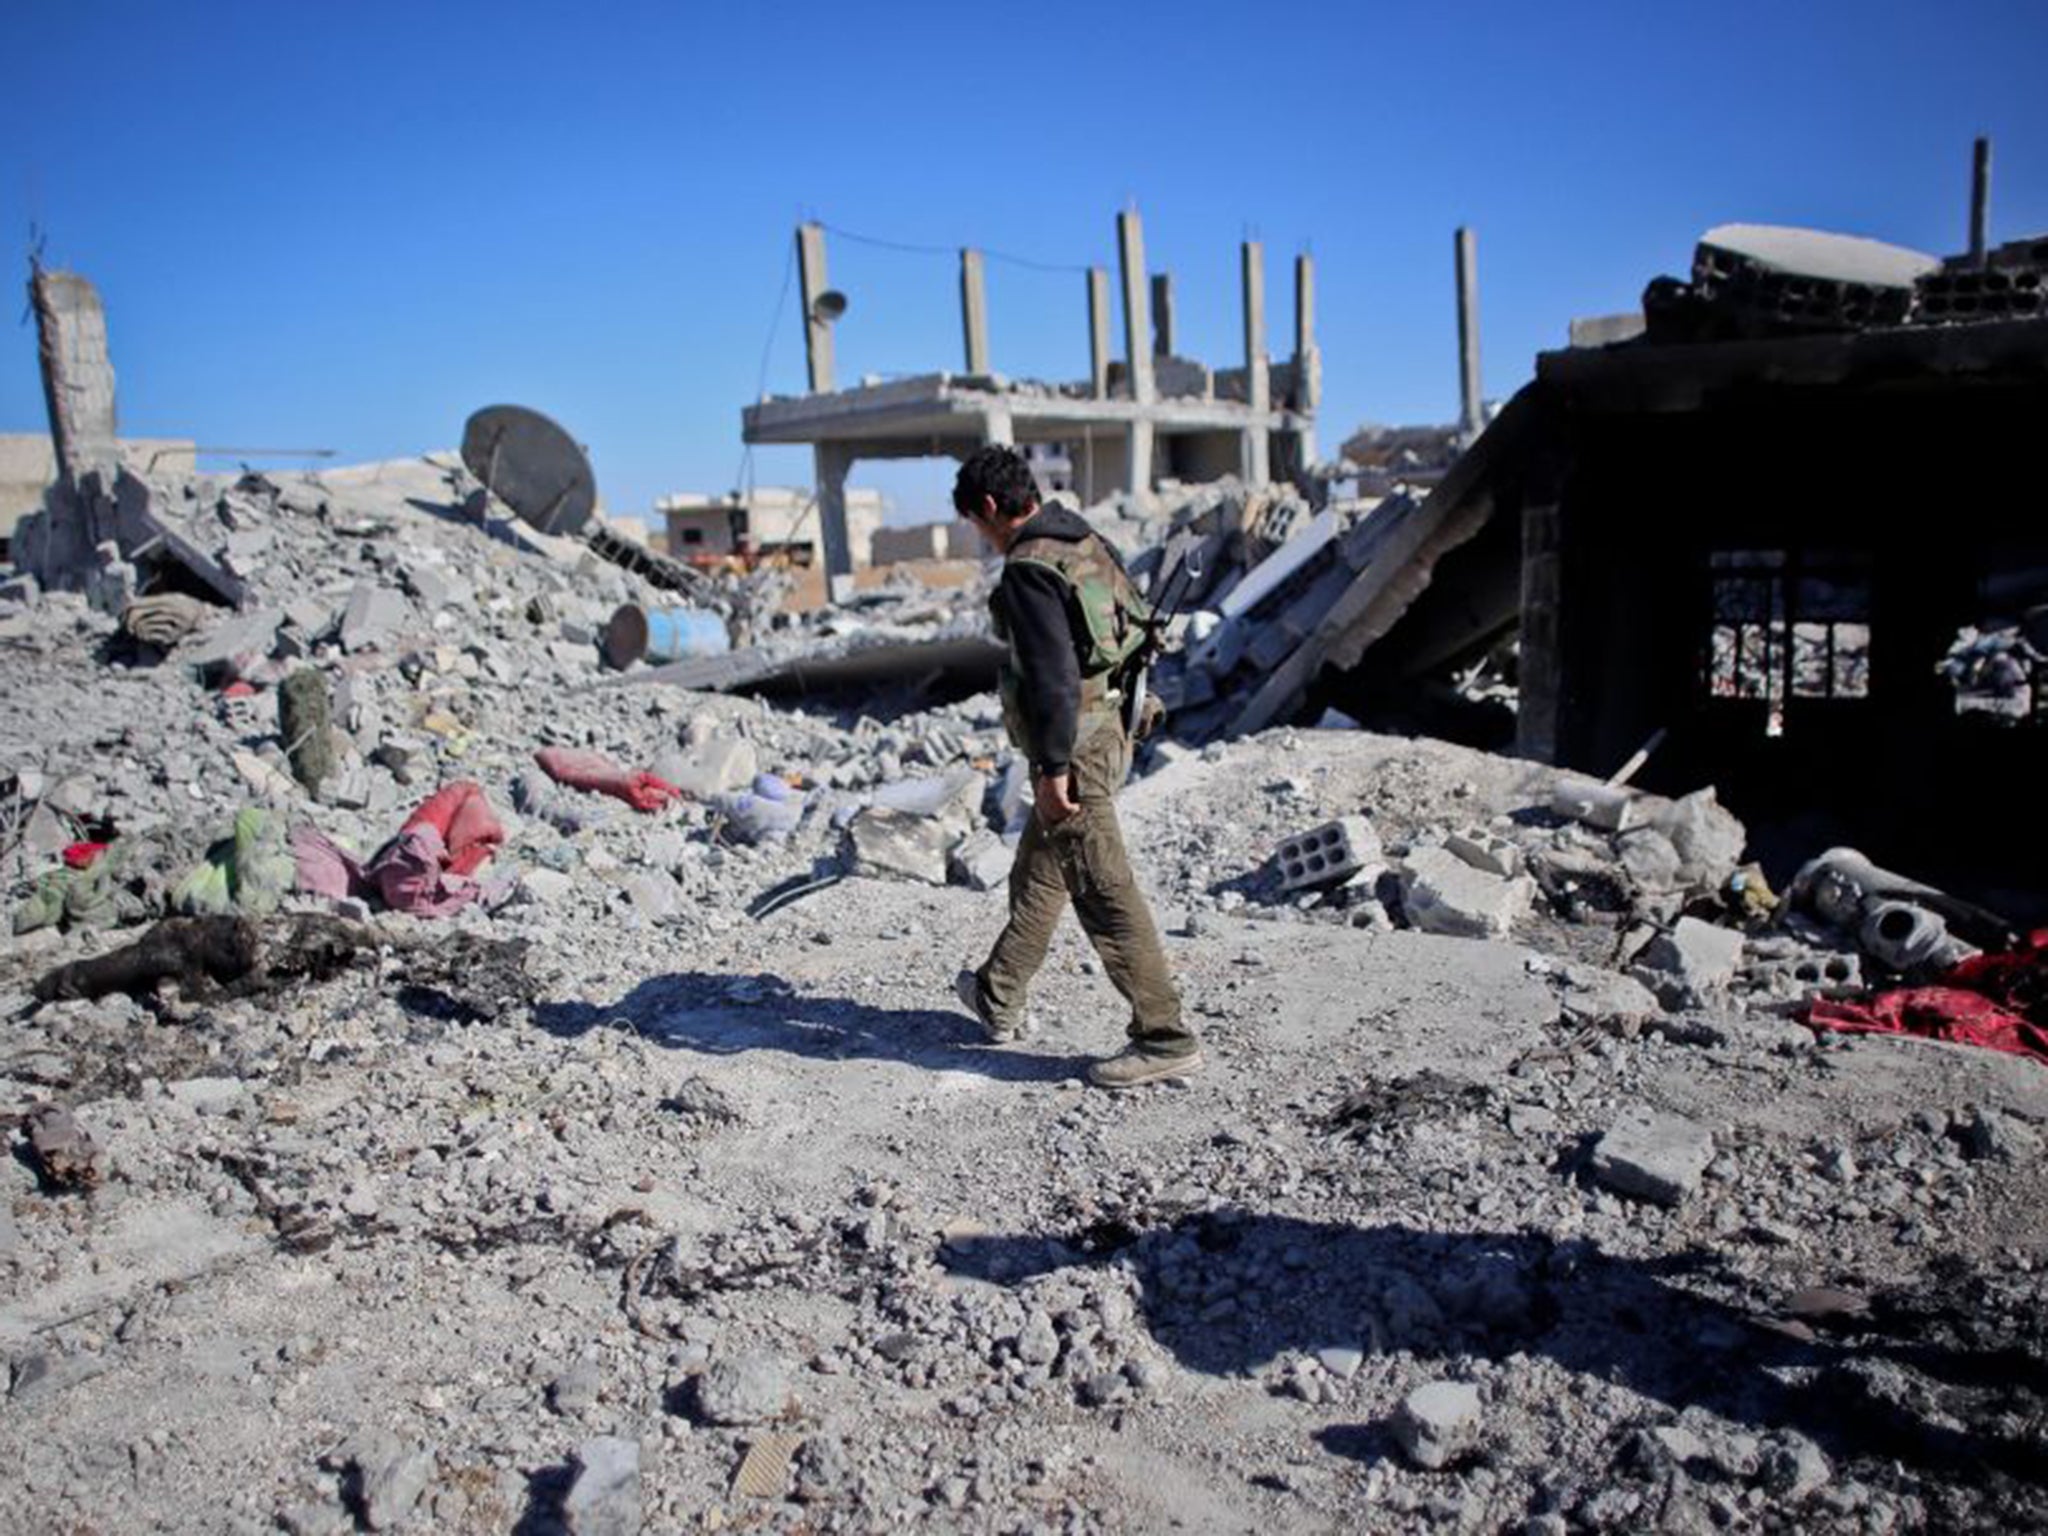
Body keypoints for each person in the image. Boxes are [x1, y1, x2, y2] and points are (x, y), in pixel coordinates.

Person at [949, 444, 1200, 1089]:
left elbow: (1054, 680)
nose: (981, 538)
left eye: (976, 526)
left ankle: (1163, 1035)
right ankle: (997, 994)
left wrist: (1052, 768)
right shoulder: (1084, 540)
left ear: (986, 509)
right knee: (1043, 866)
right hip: (1115, 726)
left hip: (1076, 745)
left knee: (1101, 886)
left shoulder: (1030, 569)